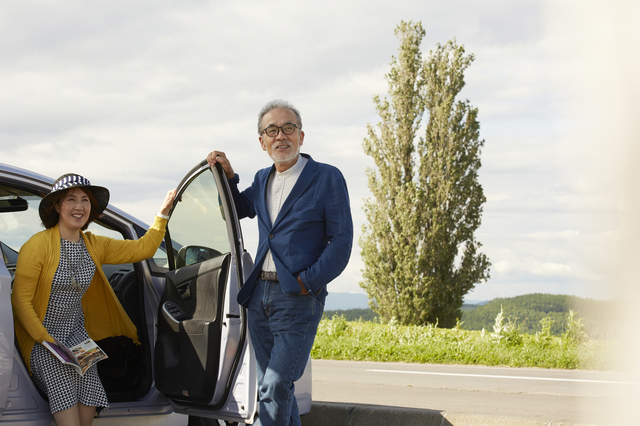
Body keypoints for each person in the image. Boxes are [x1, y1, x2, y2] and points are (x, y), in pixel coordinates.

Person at [207, 99, 353, 425]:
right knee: (275, 388)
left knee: (274, 387)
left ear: (301, 136)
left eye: (288, 128)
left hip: (297, 296)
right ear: (262, 142)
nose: (281, 136)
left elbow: (342, 240)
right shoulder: (262, 179)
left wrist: (308, 281)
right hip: (259, 296)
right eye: (272, 130)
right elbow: (237, 208)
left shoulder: (327, 177)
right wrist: (228, 176)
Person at [12, 173, 176, 426]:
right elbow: (21, 301)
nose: (79, 207)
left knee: (90, 390)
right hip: (42, 338)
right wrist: (48, 341)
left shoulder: (94, 244)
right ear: (57, 206)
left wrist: (162, 214)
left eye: (85, 201)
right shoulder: (36, 246)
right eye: (71, 200)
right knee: (64, 387)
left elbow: (143, 249)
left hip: (77, 336)